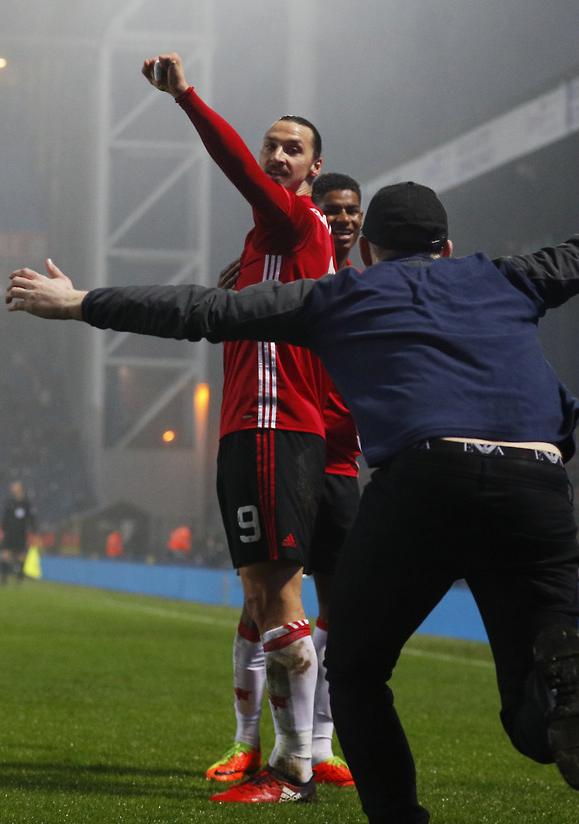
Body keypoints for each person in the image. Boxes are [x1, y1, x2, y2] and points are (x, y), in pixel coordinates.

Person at [6, 143, 579, 822]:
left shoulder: (344, 295)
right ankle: (557, 687)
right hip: (537, 483)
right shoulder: (509, 276)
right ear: (447, 246)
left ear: (366, 248)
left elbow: (209, 313)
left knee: (356, 672)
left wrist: (81, 303)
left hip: (427, 479)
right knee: (533, 717)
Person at [135, 51, 337, 803]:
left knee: (279, 603)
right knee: (260, 599)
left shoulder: (291, 222)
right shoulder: (264, 248)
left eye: (294, 148)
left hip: (273, 427)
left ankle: (297, 770)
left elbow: (243, 178)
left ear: (314, 168)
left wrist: (186, 97)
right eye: (272, 144)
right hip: (250, 429)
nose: (277, 156)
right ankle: (273, 753)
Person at [206, 173, 364, 790]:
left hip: (339, 464)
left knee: (341, 607)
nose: (343, 219)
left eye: (353, 211)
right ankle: (251, 742)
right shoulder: (280, 277)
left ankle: (317, 746)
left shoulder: (368, 284)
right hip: (286, 445)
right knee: (263, 599)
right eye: (332, 210)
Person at [0, 480, 37, 586]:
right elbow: (5, 517)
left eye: (15, 488)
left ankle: (19, 580)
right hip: (9, 533)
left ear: (20, 490)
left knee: (21, 556)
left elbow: (31, 518)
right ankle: (3, 580)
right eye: (13, 488)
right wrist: (2, 530)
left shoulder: (26, 503)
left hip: (20, 533)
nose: (13, 490)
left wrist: (33, 531)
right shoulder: (9, 502)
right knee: (5, 555)